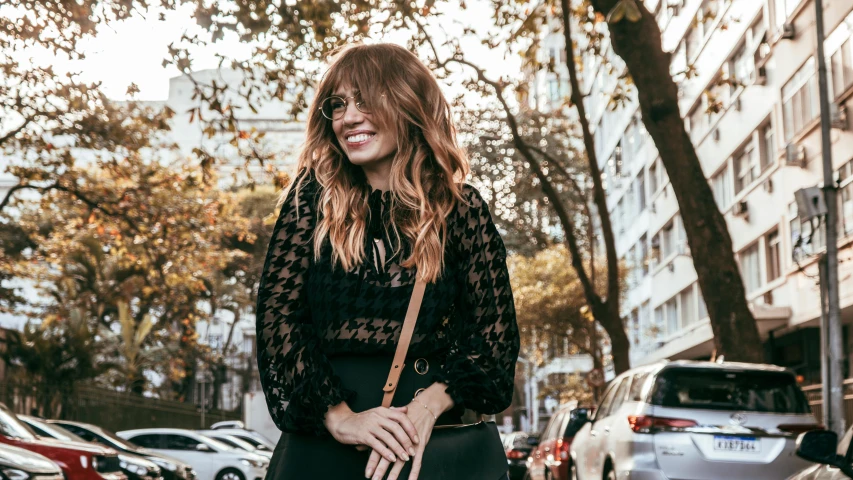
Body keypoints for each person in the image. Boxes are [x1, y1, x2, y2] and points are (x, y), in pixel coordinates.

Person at [256, 43, 519, 480]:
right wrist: (342, 418)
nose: (348, 117)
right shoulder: (310, 205)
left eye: (365, 100)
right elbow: (278, 321)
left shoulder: (461, 210)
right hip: (325, 451)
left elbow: (494, 342)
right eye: (337, 105)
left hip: (433, 446)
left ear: (408, 104)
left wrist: (428, 405)